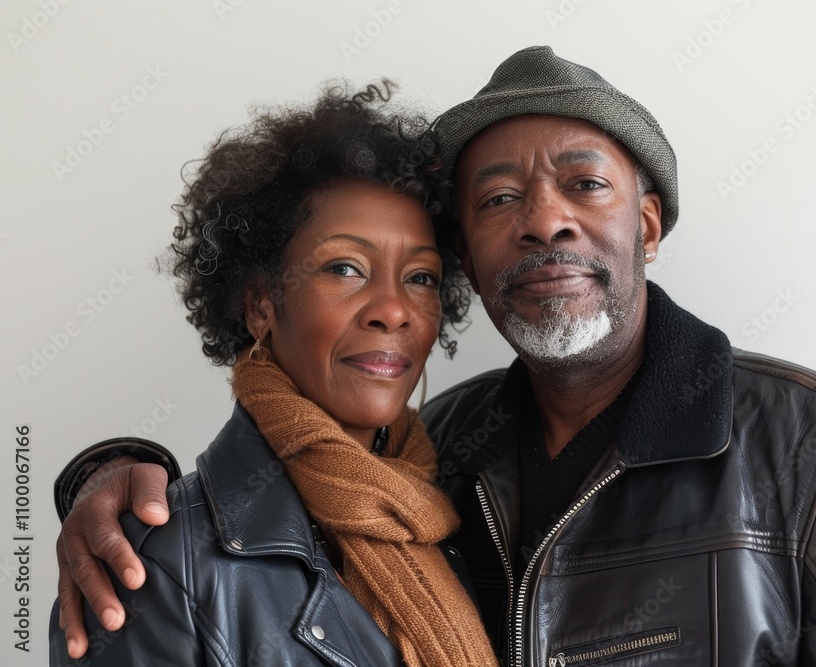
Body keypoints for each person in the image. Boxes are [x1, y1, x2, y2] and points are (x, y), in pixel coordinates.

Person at [52, 47, 816, 665]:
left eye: (584, 184)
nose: (542, 218)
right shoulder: (442, 455)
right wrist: (111, 478)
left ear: (646, 225)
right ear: (474, 260)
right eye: (497, 200)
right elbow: (250, 529)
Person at [47, 81, 500, 666]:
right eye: (345, 267)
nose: (394, 310)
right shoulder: (154, 564)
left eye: (421, 277)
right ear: (261, 303)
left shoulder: (465, 499)